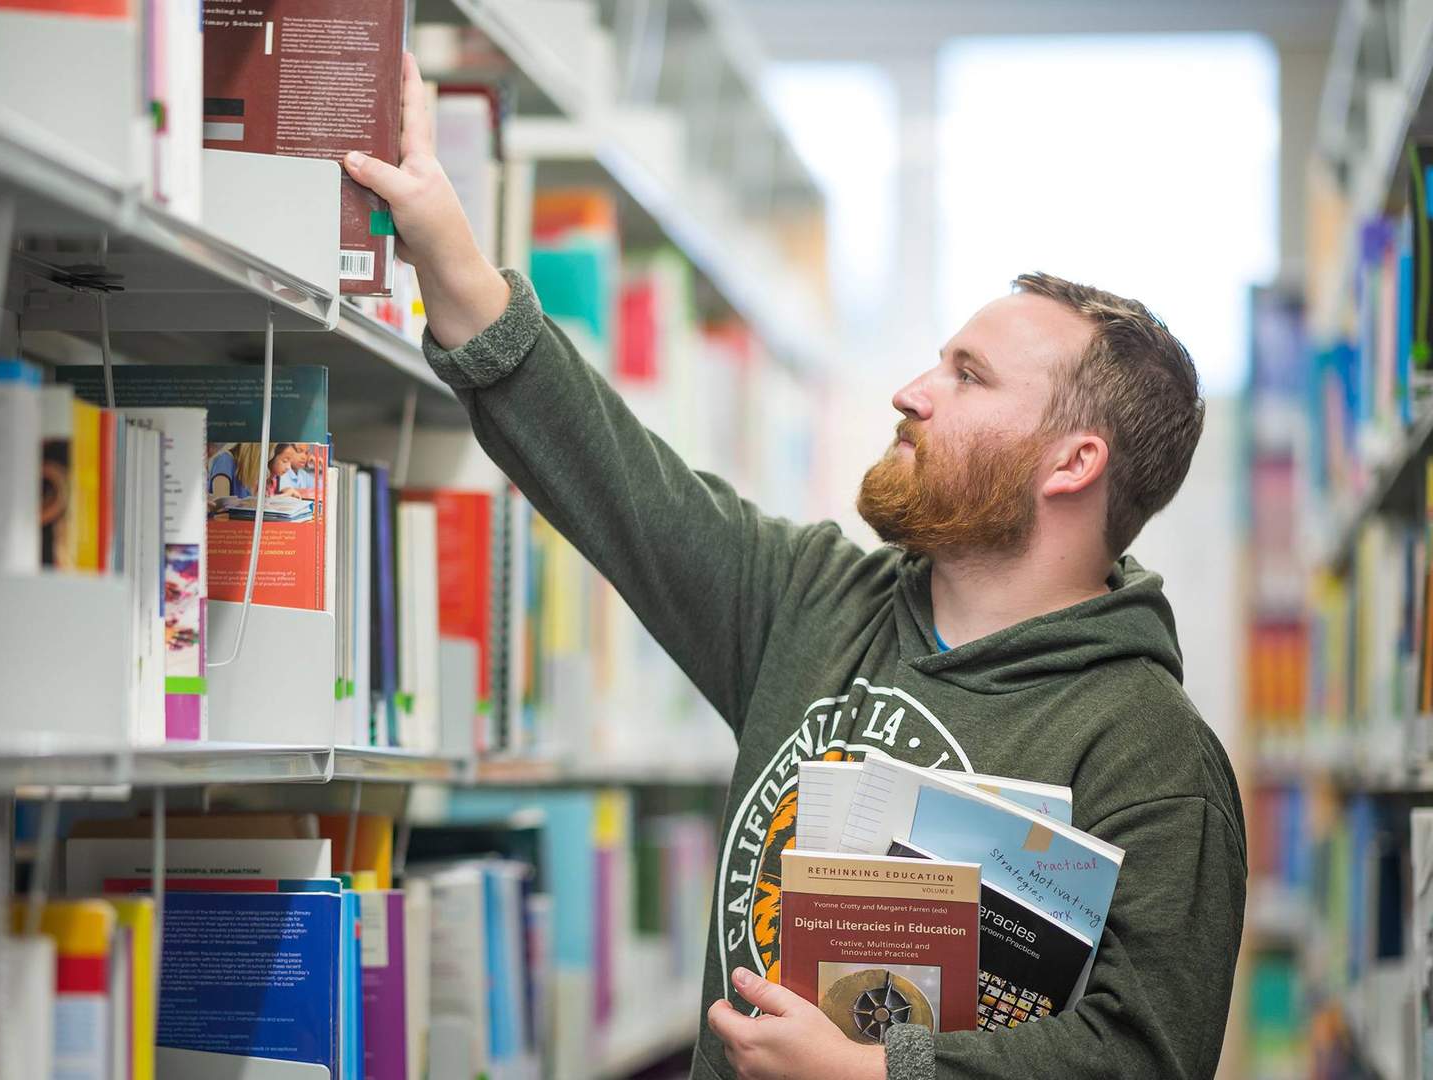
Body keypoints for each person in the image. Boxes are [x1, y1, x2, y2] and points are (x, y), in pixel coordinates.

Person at [342, 52, 1245, 1080]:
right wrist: (450, 253)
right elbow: (621, 483)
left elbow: (1144, 1056)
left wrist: (873, 1074)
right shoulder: (811, 607)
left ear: (1073, 462)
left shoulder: (1150, 751)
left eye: (968, 376)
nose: (911, 391)